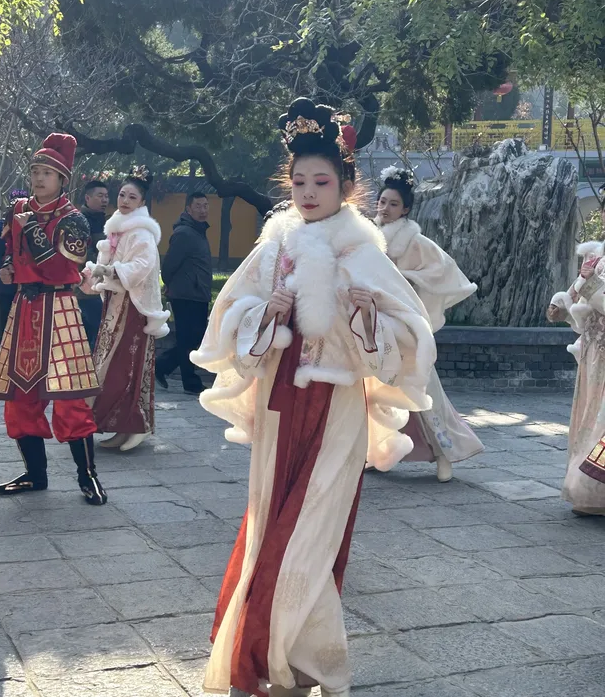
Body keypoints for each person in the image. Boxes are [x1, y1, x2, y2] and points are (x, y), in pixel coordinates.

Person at [191, 98, 436, 697]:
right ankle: (285, 657)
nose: (307, 192)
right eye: (298, 181)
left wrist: (366, 319)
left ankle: (298, 658)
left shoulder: (364, 252)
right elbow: (229, 317)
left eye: (321, 181)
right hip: (280, 401)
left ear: (347, 185)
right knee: (272, 519)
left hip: (338, 409)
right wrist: (263, 312)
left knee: (313, 526)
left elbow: (412, 336)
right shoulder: (275, 245)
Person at [0, 133, 107, 506]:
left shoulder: (75, 220)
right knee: (19, 397)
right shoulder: (18, 209)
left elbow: (59, 267)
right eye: (35, 171)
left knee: (70, 399)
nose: (38, 179)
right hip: (24, 309)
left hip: (60, 310)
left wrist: (33, 227)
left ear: (62, 179)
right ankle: (35, 475)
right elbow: (8, 248)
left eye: (47, 173)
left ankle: (87, 475)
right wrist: (7, 268)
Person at [375, 166, 484, 482]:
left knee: (423, 389)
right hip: (376, 327)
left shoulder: (415, 240)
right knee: (375, 392)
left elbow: (444, 269)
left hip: (407, 328)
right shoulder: (369, 237)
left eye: (393, 204)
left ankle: (444, 453)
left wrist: (406, 279)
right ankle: (378, 451)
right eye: (382, 201)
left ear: (406, 209)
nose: (385, 208)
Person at [87, 168, 170, 452]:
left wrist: (108, 270)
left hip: (133, 309)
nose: (124, 200)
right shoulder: (119, 227)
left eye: (131, 196)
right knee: (110, 366)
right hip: (115, 305)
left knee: (128, 366)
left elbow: (140, 268)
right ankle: (121, 425)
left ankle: (138, 424)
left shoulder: (141, 234)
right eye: (122, 194)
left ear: (141, 202)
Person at [548, 192, 605, 515]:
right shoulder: (596, 254)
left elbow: (593, 291)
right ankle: (587, 492)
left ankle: (594, 488)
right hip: (593, 356)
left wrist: (591, 286)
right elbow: (578, 294)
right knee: (587, 419)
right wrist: (562, 305)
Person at [156, 191, 212, 394]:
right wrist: (170, 286)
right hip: (185, 295)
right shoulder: (184, 233)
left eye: (205, 205)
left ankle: (161, 367)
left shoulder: (197, 231)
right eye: (198, 206)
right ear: (188, 208)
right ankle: (190, 382)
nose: (203, 210)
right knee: (190, 339)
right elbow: (169, 265)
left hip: (197, 293)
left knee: (193, 339)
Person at [0, 189, 28, 348]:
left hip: (26, 288)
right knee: (4, 330)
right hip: (5, 288)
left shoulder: (30, 228)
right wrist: (10, 267)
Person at [77, 180, 109, 350]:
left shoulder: (107, 222)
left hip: (103, 286)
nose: (104, 200)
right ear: (88, 198)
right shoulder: (79, 222)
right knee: (94, 332)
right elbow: (82, 254)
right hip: (86, 288)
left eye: (106, 196)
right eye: (100, 196)